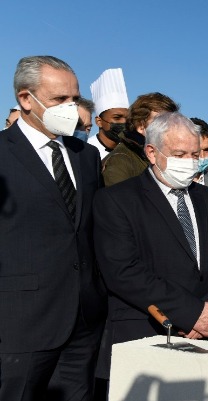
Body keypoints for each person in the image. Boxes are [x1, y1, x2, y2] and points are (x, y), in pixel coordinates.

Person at [94, 111, 208, 357]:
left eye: (194, 155)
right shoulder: (117, 200)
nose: (189, 162)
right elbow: (123, 271)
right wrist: (191, 313)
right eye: (179, 155)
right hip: (148, 335)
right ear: (152, 153)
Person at [0, 55, 107, 401]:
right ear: (25, 99)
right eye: (60, 99)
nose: (70, 108)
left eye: (74, 98)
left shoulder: (85, 155)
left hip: (84, 320)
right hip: (20, 323)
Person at [102, 92, 178, 186]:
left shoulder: (166, 157)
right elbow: (119, 195)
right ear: (141, 126)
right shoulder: (119, 160)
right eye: (161, 122)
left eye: (172, 122)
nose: (168, 128)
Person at [88, 68, 129, 160]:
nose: (124, 122)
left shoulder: (131, 151)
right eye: (117, 117)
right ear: (99, 121)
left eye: (127, 118)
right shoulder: (86, 151)